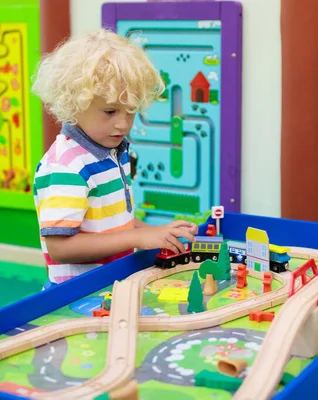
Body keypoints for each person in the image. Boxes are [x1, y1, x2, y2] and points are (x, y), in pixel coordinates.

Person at [31, 29, 198, 287]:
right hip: (76, 295)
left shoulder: (111, 151)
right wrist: (137, 239)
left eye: (131, 111)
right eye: (110, 111)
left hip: (112, 285)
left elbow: (115, 221)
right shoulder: (65, 167)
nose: (122, 124)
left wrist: (156, 232)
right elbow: (60, 248)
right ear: (75, 104)